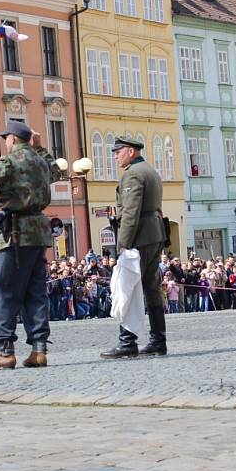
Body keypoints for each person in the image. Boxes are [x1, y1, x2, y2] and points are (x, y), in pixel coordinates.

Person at [0, 120, 63, 370]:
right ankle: (39, 349)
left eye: (6, 138)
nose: (6, 142)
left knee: (4, 291)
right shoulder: (40, 161)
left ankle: (5, 349)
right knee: (35, 291)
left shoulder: (10, 160)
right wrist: (40, 148)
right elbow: (56, 171)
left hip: (15, 233)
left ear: (13, 139)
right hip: (39, 233)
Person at [101, 137, 168, 359]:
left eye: (118, 151)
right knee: (151, 287)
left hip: (139, 237)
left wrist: (123, 244)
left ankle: (127, 342)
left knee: (127, 287)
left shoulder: (133, 174)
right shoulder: (149, 170)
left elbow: (130, 213)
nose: (115, 155)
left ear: (131, 151)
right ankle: (158, 340)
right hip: (155, 233)